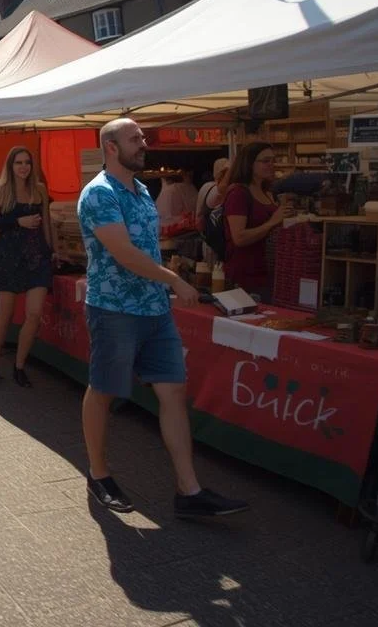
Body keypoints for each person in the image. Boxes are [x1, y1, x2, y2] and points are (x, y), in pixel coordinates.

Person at [78, 119, 248, 517]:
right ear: (111, 147)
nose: (144, 144)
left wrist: (166, 280)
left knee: (173, 392)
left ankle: (189, 492)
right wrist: (174, 279)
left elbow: (147, 248)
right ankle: (99, 473)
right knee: (104, 391)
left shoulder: (140, 189)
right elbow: (123, 251)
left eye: (142, 138)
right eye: (135, 139)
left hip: (154, 310)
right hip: (115, 310)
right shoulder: (99, 194)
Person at [0, 146, 57, 390]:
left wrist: (53, 250)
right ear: (10, 166)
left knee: (34, 315)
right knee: (5, 314)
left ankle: (19, 366)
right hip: (9, 257)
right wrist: (16, 221)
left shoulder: (40, 189)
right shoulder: (0, 191)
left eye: (27, 163)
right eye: (18, 163)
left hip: (37, 258)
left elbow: (47, 222)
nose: (24, 167)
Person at [223, 142, 290, 300]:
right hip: (246, 277)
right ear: (249, 163)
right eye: (265, 161)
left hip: (268, 273)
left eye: (273, 160)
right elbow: (239, 238)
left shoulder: (266, 192)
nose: (271, 165)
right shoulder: (238, 194)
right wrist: (272, 222)